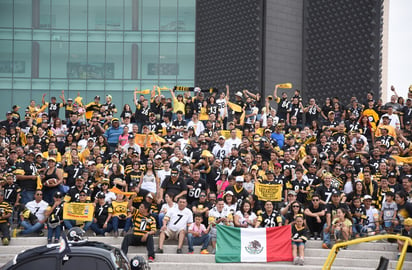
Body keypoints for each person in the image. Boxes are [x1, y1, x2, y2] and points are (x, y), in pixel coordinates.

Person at [121, 199, 156, 263]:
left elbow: (154, 230)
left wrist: (147, 234)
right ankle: (123, 255)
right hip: (135, 236)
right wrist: (132, 198)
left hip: (144, 238)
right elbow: (129, 207)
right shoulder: (137, 213)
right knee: (127, 237)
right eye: (140, 206)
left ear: (146, 209)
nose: (139, 208)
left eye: (141, 207)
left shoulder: (151, 219)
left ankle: (151, 256)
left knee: (150, 237)